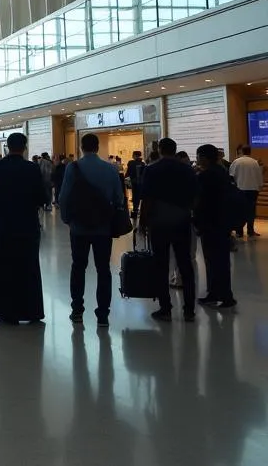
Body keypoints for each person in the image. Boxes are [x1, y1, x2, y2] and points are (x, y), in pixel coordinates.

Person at [0, 132, 46, 324]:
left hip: (3, 227)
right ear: (25, 147)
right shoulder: (32, 169)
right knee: (29, 268)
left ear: (7, 147)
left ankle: (5, 312)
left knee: (3, 268)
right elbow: (43, 197)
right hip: (28, 227)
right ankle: (31, 311)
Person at [59, 133, 125, 327]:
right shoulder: (110, 169)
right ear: (97, 147)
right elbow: (119, 198)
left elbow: (64, 196)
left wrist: (66, 218)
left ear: (81, 147)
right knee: (103, 269)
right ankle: (103, 314)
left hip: (78, 227)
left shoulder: (73, 167)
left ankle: (77, 310)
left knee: (78, 267)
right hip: (103, 228)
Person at [136, 137, 198, 323]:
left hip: (159, 222)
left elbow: (146, 198)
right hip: (182, 221)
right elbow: (196, 196)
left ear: (161, 150)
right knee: (185, 264)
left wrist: (142, 222)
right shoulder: (187, 169)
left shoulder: (152, 169)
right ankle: (189, 309)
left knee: (161, 265)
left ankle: (165, 308)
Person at [193, 144, 237, 310]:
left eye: (198, 157)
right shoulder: (222, 172)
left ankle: (221, 295)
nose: (197, 160)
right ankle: (221, 294)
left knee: (213, 260)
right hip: (222, 222)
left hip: (211, 223)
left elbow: (200, 201)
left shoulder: (206, 176)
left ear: (204, 157)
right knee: (220, 261)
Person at [229, 146, 263, 239]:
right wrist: (260, 186)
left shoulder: (236, 162)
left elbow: (231, 175)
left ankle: (239, 232)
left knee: (240, 211)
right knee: (251, 211)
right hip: (253, 190)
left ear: (241, 151)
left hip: (240, 189)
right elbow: (259, 175)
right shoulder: (255, 162)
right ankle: (250, 231)